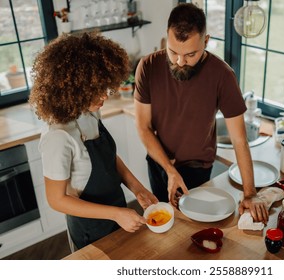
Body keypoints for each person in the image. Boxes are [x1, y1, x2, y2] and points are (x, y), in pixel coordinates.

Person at [134, 3, 269, 223]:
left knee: (191, 229)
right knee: (162, 224)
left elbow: (239, 139)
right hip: (159, 163)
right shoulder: (147, 67)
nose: (179, 61)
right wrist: (169, 169)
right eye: (173, 52)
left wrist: (250, 193)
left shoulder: (223, 76)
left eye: (190, 54)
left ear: (206, 41)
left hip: (196, 169)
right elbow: (143, 127)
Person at [29, 32, 158, 251]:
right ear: (72, 87)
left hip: (118, 213)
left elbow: (108, 158)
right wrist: (116, 214)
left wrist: (137, 189)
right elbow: (56, 199)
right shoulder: (58, 136)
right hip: (89, 230)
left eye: (105, 87)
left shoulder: (89, 113)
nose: (105, 96)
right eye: (95, 90)